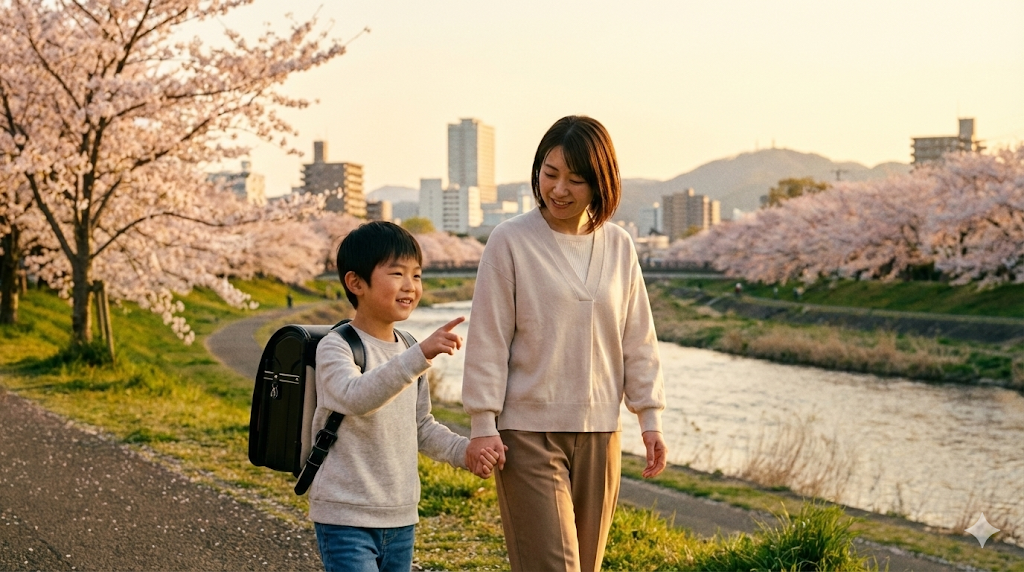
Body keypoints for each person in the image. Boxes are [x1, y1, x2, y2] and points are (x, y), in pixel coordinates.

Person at [462, 116, 668, 572]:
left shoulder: (618, 246)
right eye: (550, 173)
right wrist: (482, 422)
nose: (559, 189)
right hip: (527, 434)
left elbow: (638, 337)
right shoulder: (509, 241)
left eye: (576, 179)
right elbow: (488, 339)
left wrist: (649, 418)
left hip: (601, 431)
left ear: (600, 184)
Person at [310, 221, 499, 572]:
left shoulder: (409, 346)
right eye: (397, 274)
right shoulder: (337, 346)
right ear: (356, 283)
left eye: (417, 275)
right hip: (345, 514)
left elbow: (422, 426)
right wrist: (418, 358)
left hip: (400, 516)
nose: (410, 286)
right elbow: (355, 398)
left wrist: (464, 451)